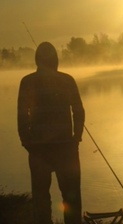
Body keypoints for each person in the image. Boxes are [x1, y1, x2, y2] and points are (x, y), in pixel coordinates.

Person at [17, 42, 85, 224]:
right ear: (56, 60)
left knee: (41, 200)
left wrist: (27, 143)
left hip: (39, 150)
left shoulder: (27, 82)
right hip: (66, 149)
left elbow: (22, 117)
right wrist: (76, 138)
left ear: (37, 60)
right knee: (71, 199)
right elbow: (79, 112)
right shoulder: (67, 80)